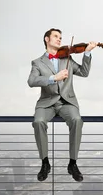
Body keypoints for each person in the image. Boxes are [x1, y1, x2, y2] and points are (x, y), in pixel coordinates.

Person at [27, 28, 98, 182]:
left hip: (67, 101)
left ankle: (72, 164)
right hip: (47, 102)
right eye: (56, 36)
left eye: (60, 37)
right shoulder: (37, 63)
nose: (59, 39)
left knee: (77, 120)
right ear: (47, 39)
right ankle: (45, 163)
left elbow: (84, 72)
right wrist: (53, 78)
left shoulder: (67, 59)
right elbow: (31, 81)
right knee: (38, 122)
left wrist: (87, 52)